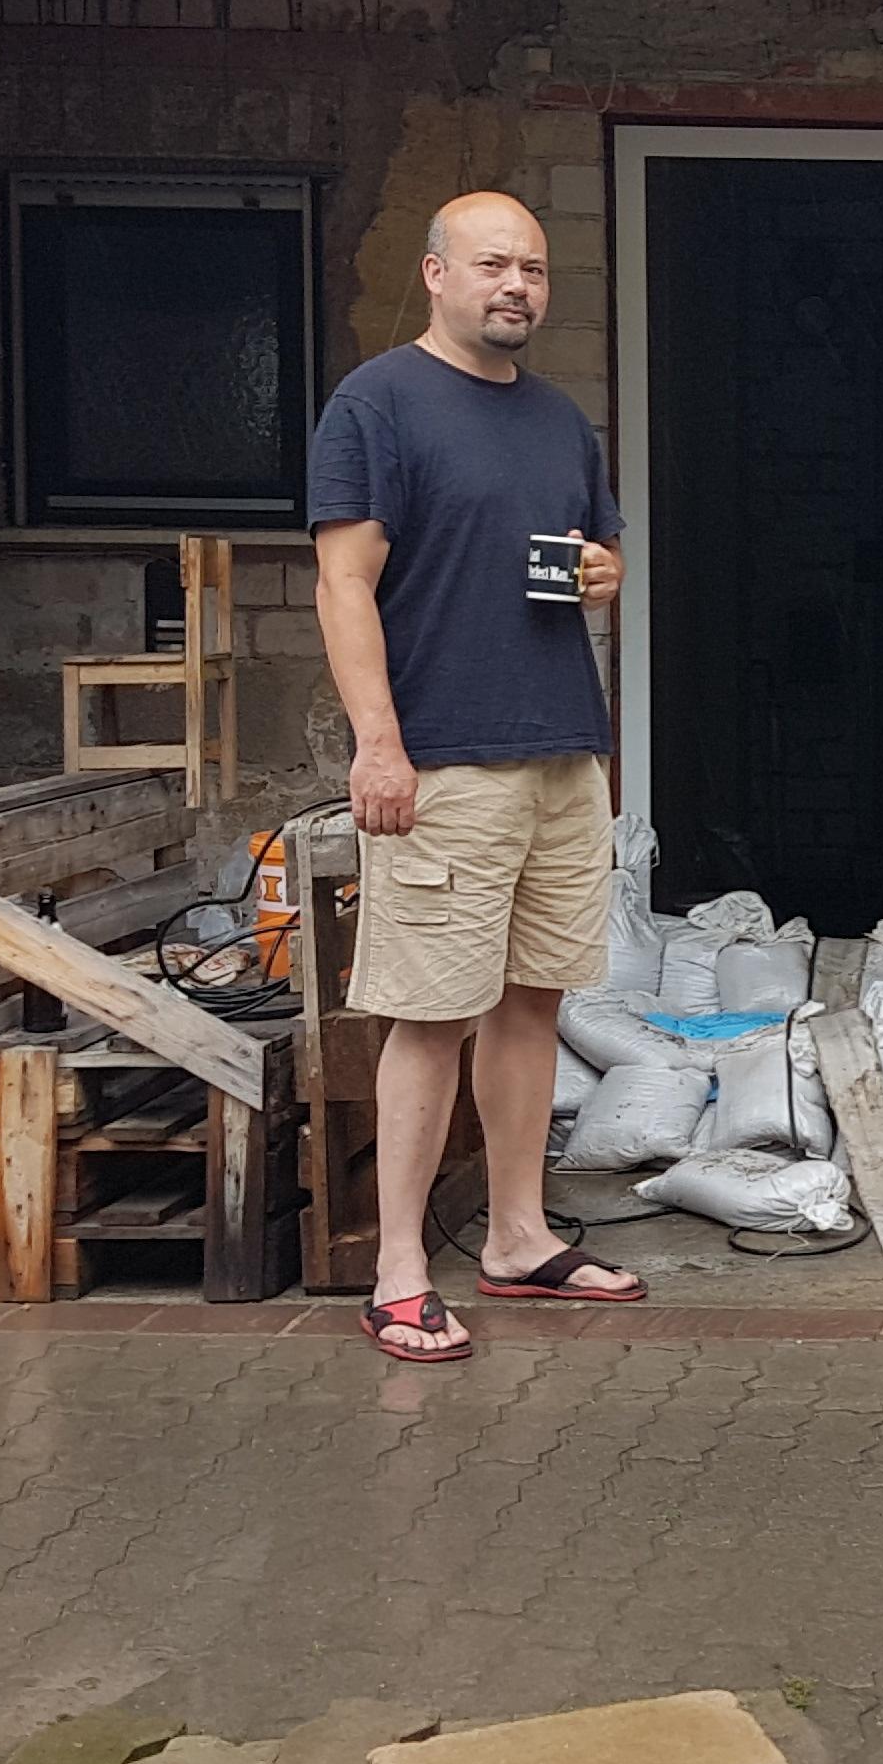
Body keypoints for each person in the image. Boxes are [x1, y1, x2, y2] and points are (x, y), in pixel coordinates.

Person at [310, 189, 646, 1364]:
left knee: (533, 1000)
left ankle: (516, 1236)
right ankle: (399, 1272)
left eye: (533, 270)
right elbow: (343, 585)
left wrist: (604, 574)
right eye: (494, 264)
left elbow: (596, 553)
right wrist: (380, 744)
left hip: (561, 751)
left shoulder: (559, 421)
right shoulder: (378, 406)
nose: (516, 286)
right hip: (443, 761)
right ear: (436, 273)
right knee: (431, 1013)